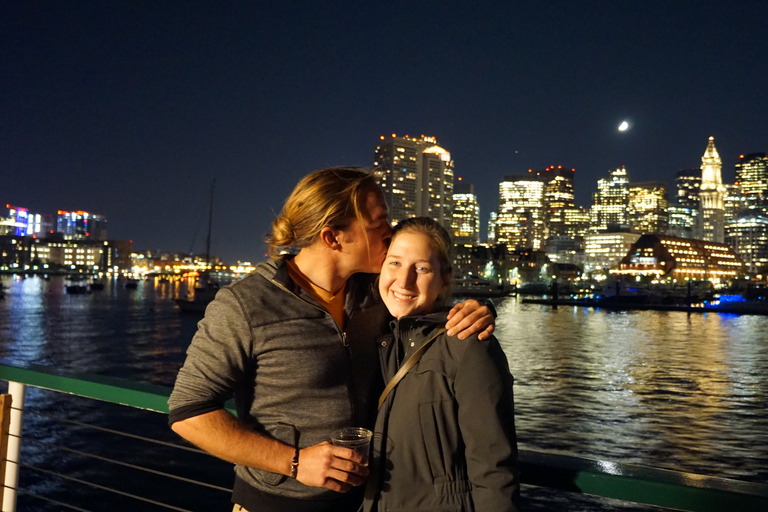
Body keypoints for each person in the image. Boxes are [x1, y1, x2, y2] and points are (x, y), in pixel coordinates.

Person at [167, 167, 495, 512]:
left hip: (367, 501)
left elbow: (426, 306)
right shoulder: (247, 305)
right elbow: (189, 412)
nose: (390, 232)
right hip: (275, 504)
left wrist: (478, 309)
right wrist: (294, 462)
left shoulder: (375, 293)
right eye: (378, 223)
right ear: (332, 238)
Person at [364, 217, 519, 511]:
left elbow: (494, 468)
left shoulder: (468, 345)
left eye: (421, 268)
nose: (404, 280)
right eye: (394, 263)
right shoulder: (382, 338)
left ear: (444, 278)